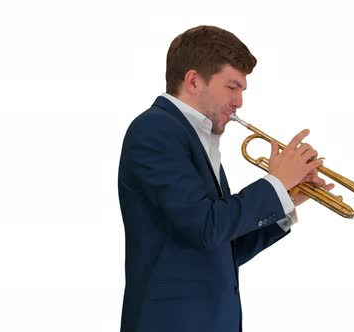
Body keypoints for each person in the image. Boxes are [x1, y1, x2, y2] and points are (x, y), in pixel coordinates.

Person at [117, 25, 333, 332]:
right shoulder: (155, 131)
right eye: (232, 87)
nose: (239, 102)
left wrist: (287, 198)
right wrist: (274, 184)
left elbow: (221, 249)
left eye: (242, 90)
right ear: (193, 81)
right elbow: (206, 226)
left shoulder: (196, 137)